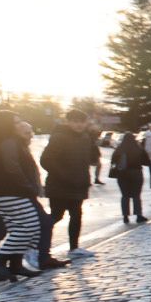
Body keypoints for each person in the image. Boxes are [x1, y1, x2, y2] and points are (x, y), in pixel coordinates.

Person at [0, 111, 49, 279]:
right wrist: (28, 186)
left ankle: (14, 264)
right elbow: (13, 168)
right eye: (16, 122)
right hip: (8, 192)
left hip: (3, 192)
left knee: (17, 228)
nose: (19, 124)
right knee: (30, 226)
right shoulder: (7, 142)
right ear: (5, 125)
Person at [41, 109, 100, 256]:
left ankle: (74, 247)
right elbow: (46, 160)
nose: (79, 125)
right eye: (75, 121)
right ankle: (38, 246)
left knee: (76, 215)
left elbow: (93, 159)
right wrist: (64, 176)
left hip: (79, 183)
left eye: (82, 122)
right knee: (57, 215)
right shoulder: (59, 137)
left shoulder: (86, 137)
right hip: (60, 185)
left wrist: (93, 140)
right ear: (67, 122)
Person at [109, 132, 149, 224]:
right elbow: (146, 161)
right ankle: (138, 215)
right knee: (136, 195)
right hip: (136, 173)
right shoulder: (138, 148)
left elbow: (113, 161)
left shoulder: (119, 149)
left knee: (125, 195)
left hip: (122, 174)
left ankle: (125, 216)